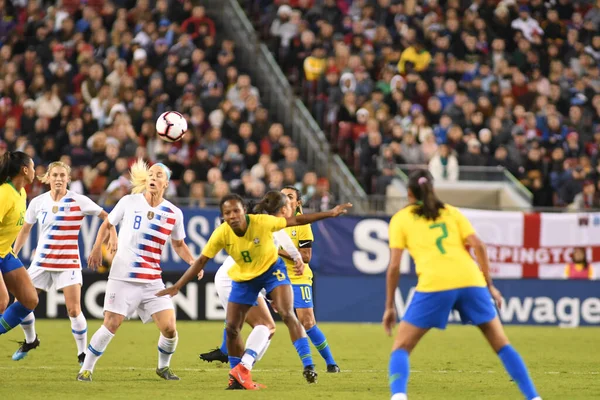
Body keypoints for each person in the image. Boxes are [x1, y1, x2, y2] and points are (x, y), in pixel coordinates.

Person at [157, 192, 352, 390]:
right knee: (236, 328)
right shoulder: (223, 232)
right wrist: (178, 286)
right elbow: (201, 261)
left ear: (244, 211)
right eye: (227, 212)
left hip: (269, 273)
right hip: (242, 278)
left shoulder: (263, 222)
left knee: (282, 317)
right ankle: (238, 375)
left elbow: (297, 221)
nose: (232, 215)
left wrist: (330, 213)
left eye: (236, 211)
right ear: (223, 216)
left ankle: (307, 365)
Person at [382, 169, 542, 400]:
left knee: (401, 347)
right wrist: (489, 285)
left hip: (435, 283)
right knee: (502, 344)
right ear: (432, 189)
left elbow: (394, 267)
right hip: (471, 281)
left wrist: (389, 306)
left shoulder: (401, 219)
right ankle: (533, 397)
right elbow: (479, 246)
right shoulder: (450, 212)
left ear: (408, 192)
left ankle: (398, 397)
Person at [77, 159, 197, 382]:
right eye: (151, 174)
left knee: (170, 328)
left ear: (167, 183)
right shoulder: (129, 202)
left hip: (152, 280)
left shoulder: (174, 213)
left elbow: (178, 244)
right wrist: (95, 248)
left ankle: (163, 367)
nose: (153, 177)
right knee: (111, 323)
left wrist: (192, 262)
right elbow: (107, 223)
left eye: (159, 175)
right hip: (123, 276)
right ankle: (86, 368)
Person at [11, 161, 115, 364]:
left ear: (68, 179)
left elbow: (107, 217)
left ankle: (82, 354)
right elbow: (25, 230)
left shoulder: (79, 201)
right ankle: (31, 340)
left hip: (68, 263)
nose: (58, 179)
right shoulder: (38, 202)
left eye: (62, 176)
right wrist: (14, 253)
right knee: (21, 304)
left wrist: (101, 243)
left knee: (74, 310)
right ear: (47, 178)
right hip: (41, 262)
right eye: (55, 175)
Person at [199, 199, 304, 366]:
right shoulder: (267, 225)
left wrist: (271, 297)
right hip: (234, 279)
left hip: (236, 277)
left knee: (247, 326)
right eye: (287, 205)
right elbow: (267, 263)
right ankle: (241, 367)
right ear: (282, 210)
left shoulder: (263, 224)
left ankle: (235, 360)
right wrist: (297, 258)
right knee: (265, 326)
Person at [279, 186, 339, 373]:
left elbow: (305, 257)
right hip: (275, 277)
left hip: (298, 277)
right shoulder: (273, 222)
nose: (285, 199)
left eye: (290, 196)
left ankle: (330, 363)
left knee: (307, 322)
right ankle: (238, 360)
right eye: (282, 196)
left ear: (298, 203)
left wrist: (276, 251)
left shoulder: (302, 225)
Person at [0, 151, 39, 335]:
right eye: (32, 167)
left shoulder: (21, 192)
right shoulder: (4, 194)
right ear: (24, 170)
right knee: (2, 301)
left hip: (4, 252)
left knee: (30, 299)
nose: (34, 170)